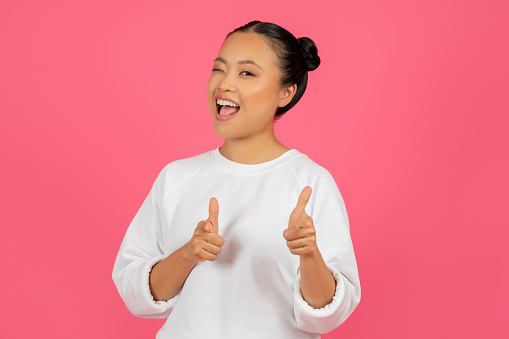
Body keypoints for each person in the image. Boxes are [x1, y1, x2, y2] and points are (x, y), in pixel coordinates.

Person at [112, 20, 361, 338]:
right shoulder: (175, 178)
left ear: (286, 92)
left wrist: (310, 253)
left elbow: (327, 314)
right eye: (219, 69)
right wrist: (189, 253)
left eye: (246, 73)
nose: (224, 84)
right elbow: (137, 295)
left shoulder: (310, 182)